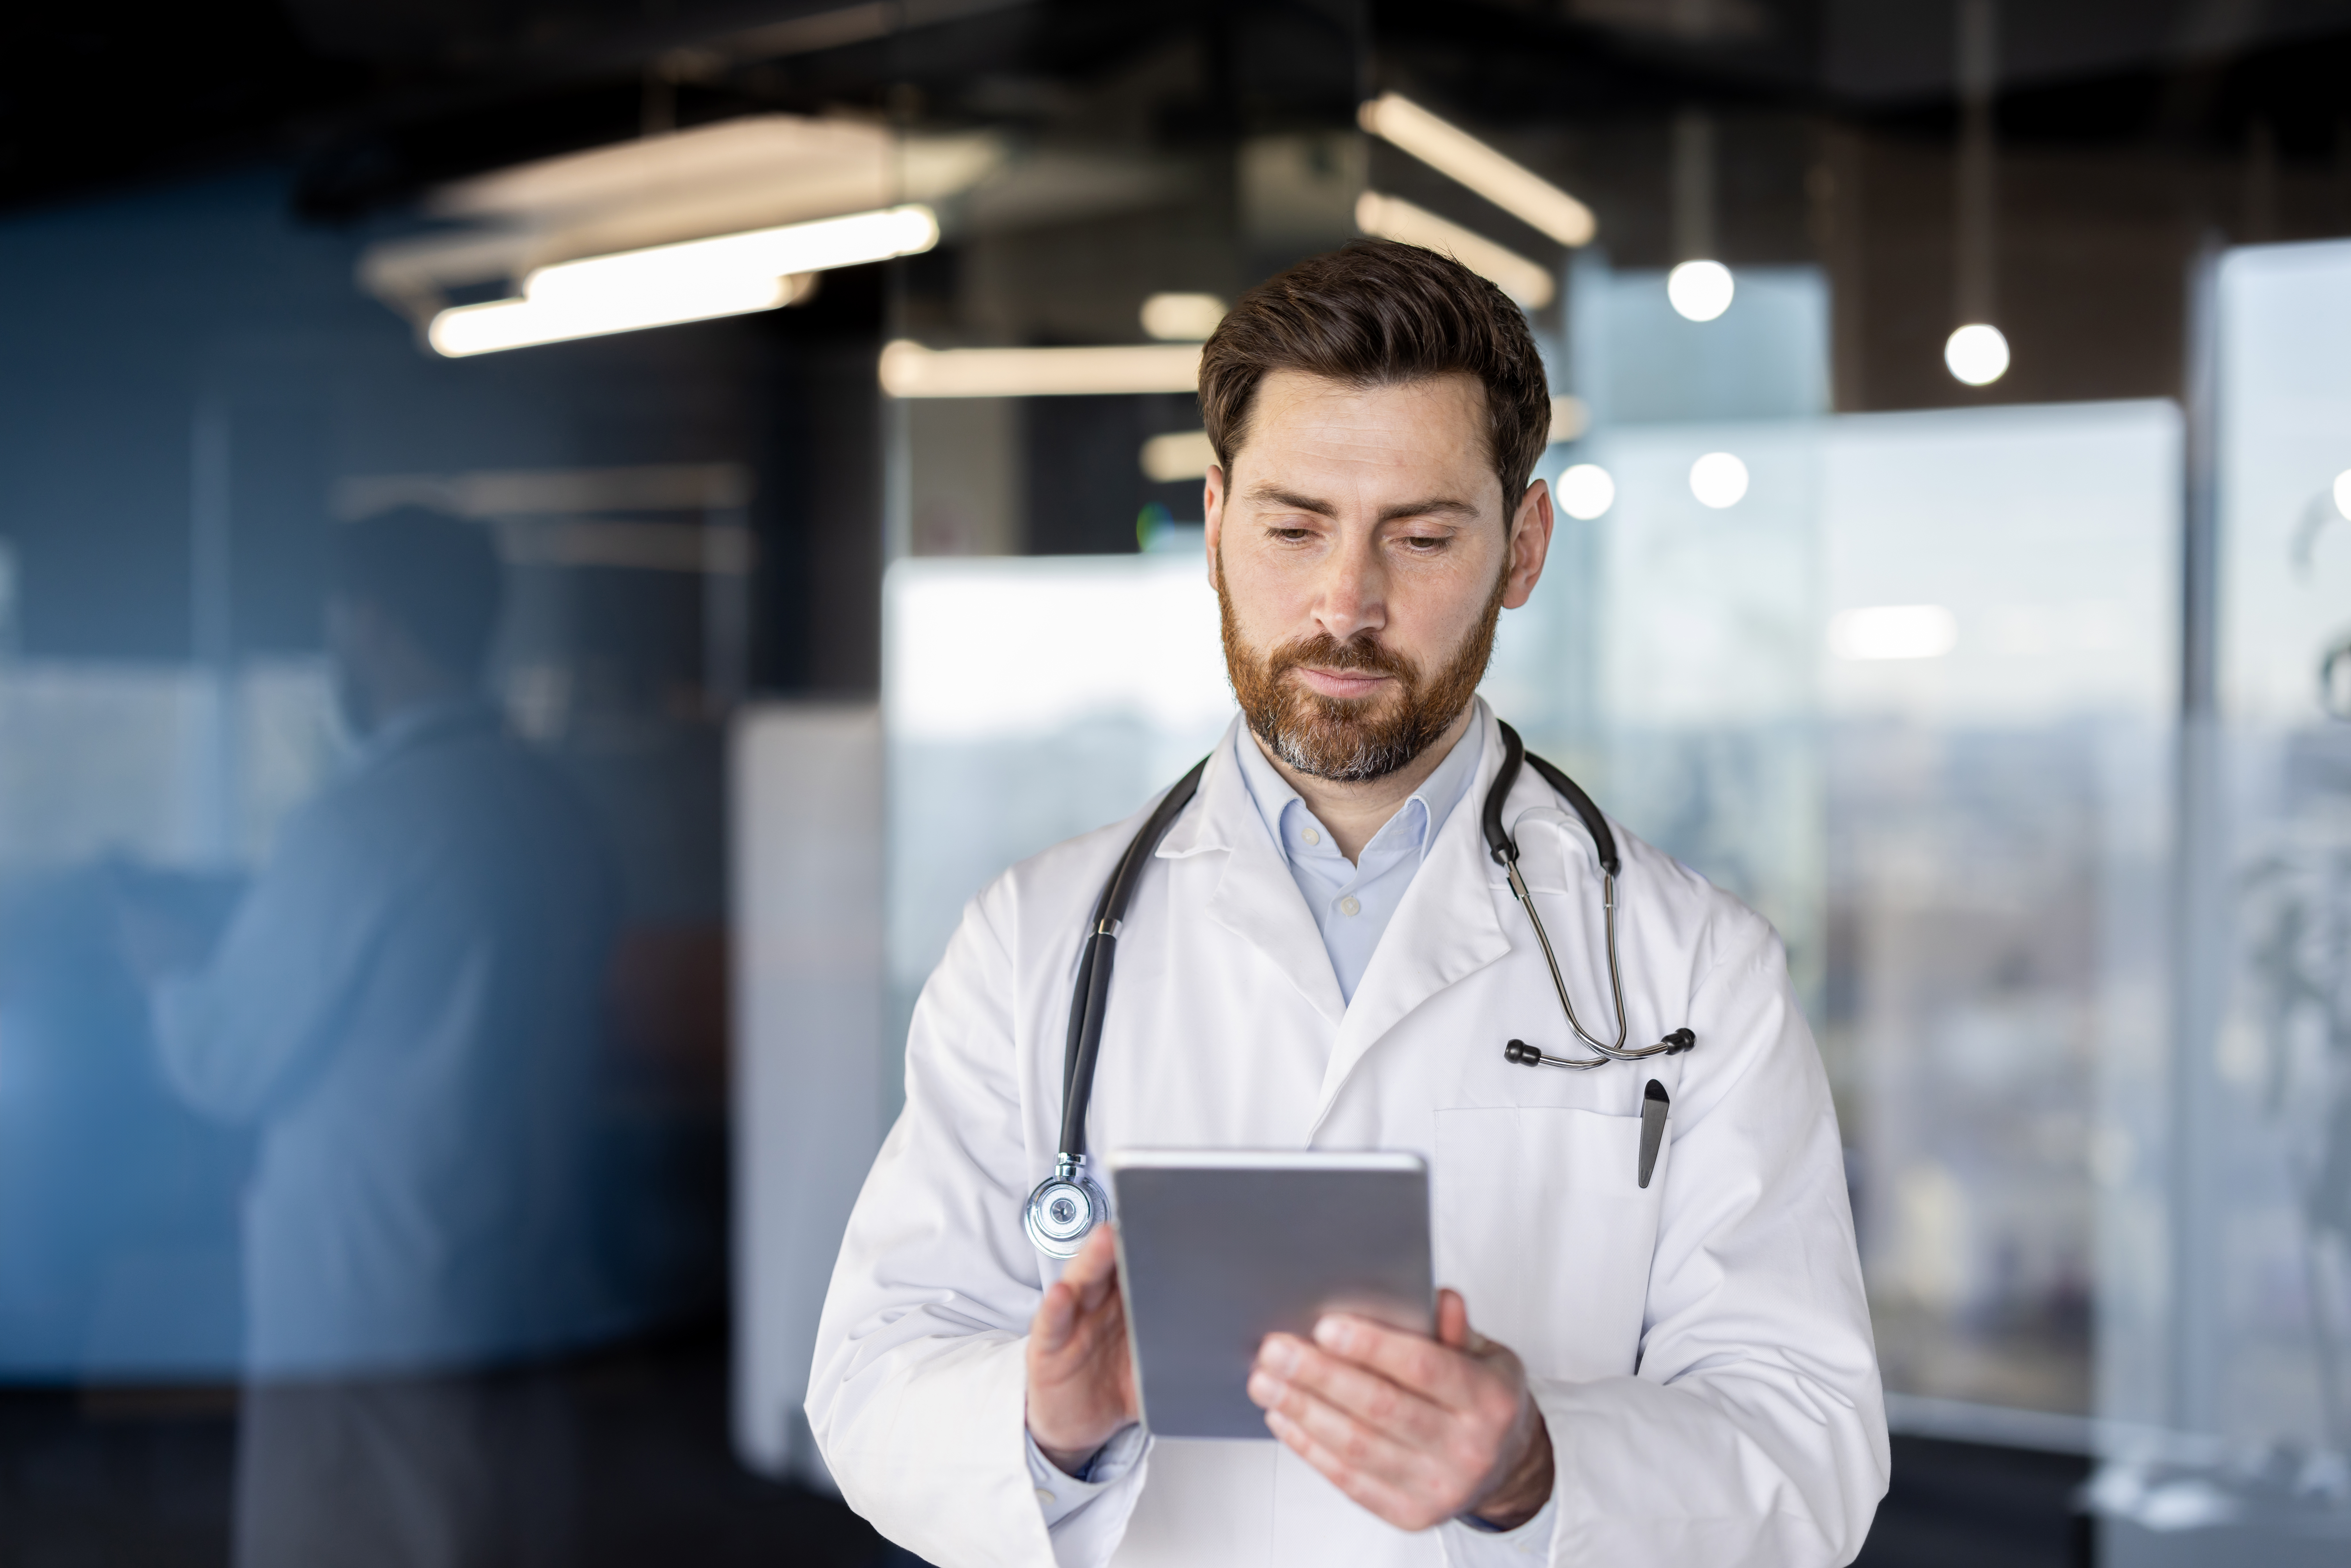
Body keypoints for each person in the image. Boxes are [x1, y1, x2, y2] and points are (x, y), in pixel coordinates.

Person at [808, 241, 1888, 1567]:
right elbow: (870, 1376)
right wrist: (1047, 1425)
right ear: (1215, 525)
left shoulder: (1695, 968)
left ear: (1522, 548)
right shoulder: (1032, 942)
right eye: (1292, 527)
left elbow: (1809, 1444)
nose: (1345, 604)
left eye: (1420, 536)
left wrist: (1534, 1468)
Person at [133, 508, 627, 1565]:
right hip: (521, 1303)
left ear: (369, 624)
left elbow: (222, 1063)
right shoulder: (559, 814)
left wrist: (168, 970)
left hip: (367, 1324)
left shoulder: (360, 826)